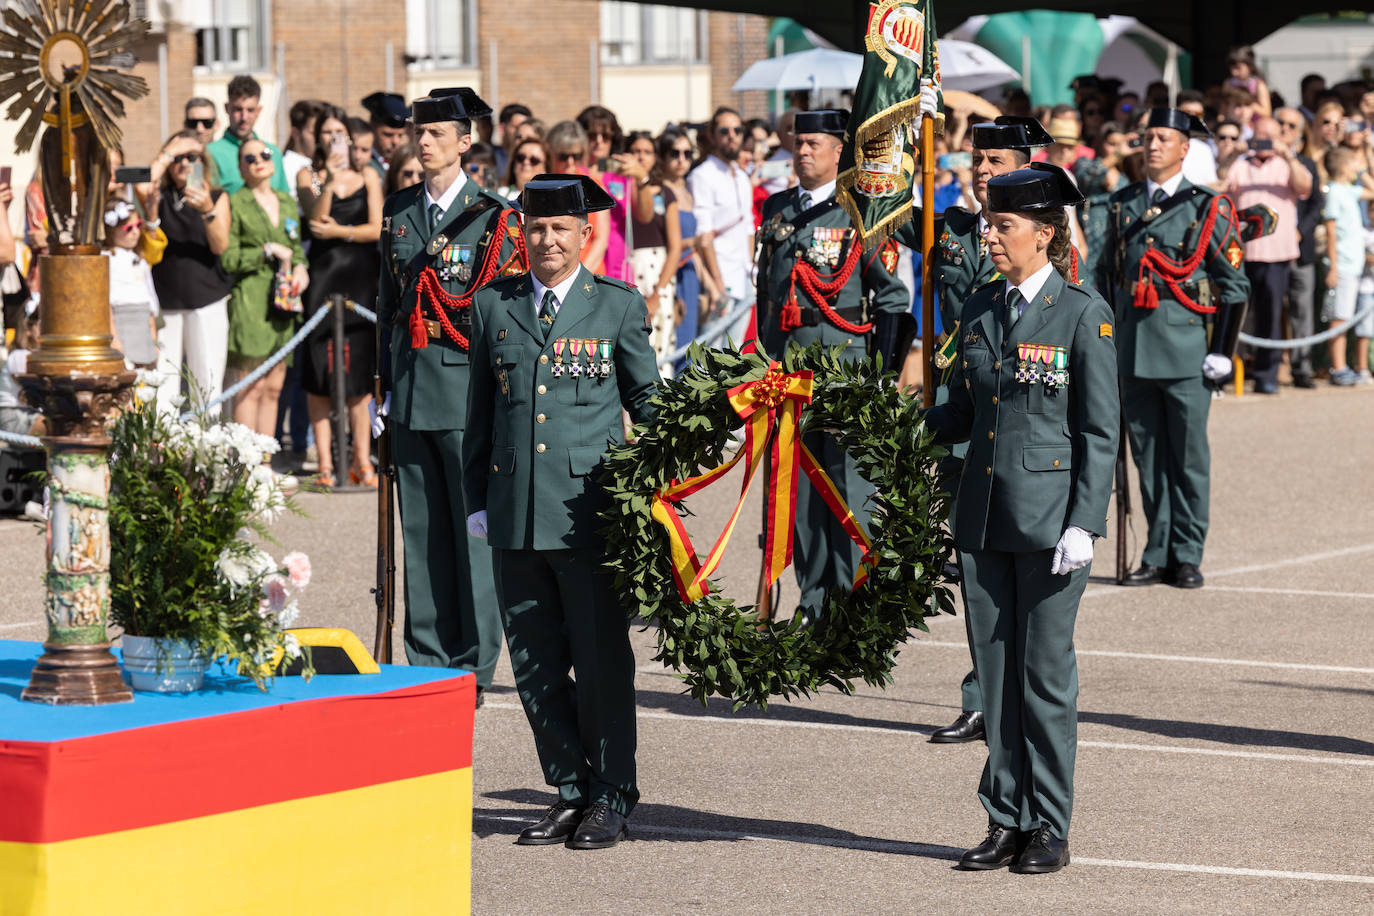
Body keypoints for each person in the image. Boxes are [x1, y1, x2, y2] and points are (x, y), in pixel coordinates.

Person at [921, 164, 1118, 875]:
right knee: (997, 679)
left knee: (1043, 680)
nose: (991, 236)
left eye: (1004, 226)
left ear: (1044, 234)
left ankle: (1050, 827)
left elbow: (1100, 430)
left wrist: (1083, 523)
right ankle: (1005, 817)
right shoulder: (977, 309)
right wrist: (898, 424)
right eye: (988, 224)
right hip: (983, 518)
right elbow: (964, 413)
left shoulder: (1081, 312)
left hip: (1050, 524)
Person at [461, 174, 659, 851]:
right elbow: (479, 418)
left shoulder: (617, 309)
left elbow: (649, 405)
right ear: (524, 233)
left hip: (589, 516)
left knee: (602, 661)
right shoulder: (494, 307)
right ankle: (569, 789)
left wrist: (661, 483)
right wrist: (476, 504)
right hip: (516, 513)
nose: (547, 240)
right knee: (536, 663)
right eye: (536, 228)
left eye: (560, 230)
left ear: (585, 235)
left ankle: (611, 793)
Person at [894, 113, 1053, 745]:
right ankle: (983, 694)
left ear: (1023, 167)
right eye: (976, 161)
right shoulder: (952, 228)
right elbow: (877, 202)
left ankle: (1021, 691)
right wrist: (898, 122)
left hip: (1019, 421)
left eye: (996, 163)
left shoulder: (1047, 234)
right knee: (975, 563)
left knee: (1024, 564)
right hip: (962, 415)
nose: (982, 172)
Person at [374, 87, 526, 702]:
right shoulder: (399, 211)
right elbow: (388, 306)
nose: (424, 140)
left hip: (466, 393)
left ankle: (473, 662)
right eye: (420, 130)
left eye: (438, 132)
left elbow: (499, 317)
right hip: (411, 392)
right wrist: (382, 391)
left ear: (466, 142)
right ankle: (427, 655)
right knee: (423, 531)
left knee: (471, 531)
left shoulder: (492, 216)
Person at [754, 109, 910, 619]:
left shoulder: (860, 211)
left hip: (845, 370)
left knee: (848, 487)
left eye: (814, 143)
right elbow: (767, 297)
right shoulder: (777, 211)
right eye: (798, 143)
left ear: (839, 151)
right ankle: (813, 597)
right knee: (797, 490)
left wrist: (882, 379)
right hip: (788, 375)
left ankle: (852, 598)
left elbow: (891, 299)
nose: (803, 152)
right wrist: (763, 365)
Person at [1098, 109, 1251, 589]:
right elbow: (1107, 277)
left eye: (1164, 138)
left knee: (1187, 459)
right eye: (1149, 137)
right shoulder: (1121, 204)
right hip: (1134, 348)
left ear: (1185, 148)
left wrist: (1222, 350)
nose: (1153, 145)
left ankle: (1187, 553)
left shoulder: (1207, 207)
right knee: (1148, 459)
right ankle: (1157, 551)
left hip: (1187, 350)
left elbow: (1235, 285)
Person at [298, 108, 383, 487]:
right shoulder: (309, 175)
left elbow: (376, 228)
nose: (335, 139)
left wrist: (343, 232)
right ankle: (326, 464)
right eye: (328, 132)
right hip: (323, 276)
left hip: (360, 278)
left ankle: (361, 459)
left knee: (359, 370)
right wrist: (329, 182)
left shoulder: (368, 175)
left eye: (340, 132)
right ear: (318, 138)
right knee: (319, 370)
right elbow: (315, 218)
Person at [222, 137, 308, 440]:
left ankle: (265, 465)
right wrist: (265, 250)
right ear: (241, 169)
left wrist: (301, 268)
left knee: (273, 387)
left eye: (265, 153)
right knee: (250, 387)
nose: (259, 159)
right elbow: (229, 258)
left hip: (283, 302)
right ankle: (245, 467)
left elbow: (296, 248)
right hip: (251, 300)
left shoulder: (286, 200)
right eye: (249, 158)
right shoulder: (235, 202)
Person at [145, 131, 232, 414]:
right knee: (163, 384)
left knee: (205, 382)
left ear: (203, 163)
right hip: (166, 302)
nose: (184, 163)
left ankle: (204, 452)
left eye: (192, 157)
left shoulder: (217, 196)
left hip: (206, 300)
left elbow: (220, 246)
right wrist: (169, 152)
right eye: (178, 158)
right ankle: (163, 451)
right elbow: (144, 186)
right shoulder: (159, 196)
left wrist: (207, 209)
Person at [1225, 116, 1313, 394]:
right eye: (1259, 135)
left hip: (1277, 253)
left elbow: (1304, 188)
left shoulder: (1286, 164)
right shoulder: (1240, 165)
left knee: (1271, 315)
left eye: (1269, 136)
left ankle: (1266, 375)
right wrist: (1232, 155)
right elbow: (1219, 186)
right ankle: (1226, 371)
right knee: (1234, 312)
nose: (1263, 141)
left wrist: (1287, 155)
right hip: (1242, 251)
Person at [688, 107, 755, 343]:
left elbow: (748, 226)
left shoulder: (742, 175)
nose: (732, 135)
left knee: (734, 351)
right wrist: (717, 284)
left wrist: (751, 267)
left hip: (744, 274)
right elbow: (702, 234)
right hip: (720, 276)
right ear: (713, 136)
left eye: (737, 130)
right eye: (724, 130)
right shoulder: (702, 176)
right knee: (710, 349)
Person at [620, 131, 681, 373]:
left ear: (655, 158)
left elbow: (675, 247)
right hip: (626, 267)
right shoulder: (617, 190)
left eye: (647, 152)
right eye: (636, 151)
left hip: (657, 272)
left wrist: (658, 293)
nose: (641, 157)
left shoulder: (665, 194)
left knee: (659, 345)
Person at [1278, 107, 1323, 388]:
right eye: (1280, 123)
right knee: (1265, 310)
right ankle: (1264, 368)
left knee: (1302, 310)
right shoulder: (1257, 163)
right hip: (1266, 251)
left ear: (1300, 132)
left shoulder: (1307, 163)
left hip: (1300, 249)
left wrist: (1299, 232)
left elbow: (1317, 204)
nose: (1285, 129)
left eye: (1291, 125)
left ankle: (1301, 367)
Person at [1322, 146, 1374, 385]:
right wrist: (1333, 267)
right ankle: (1338, 367)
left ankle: (1344, 366)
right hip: (1341, 264)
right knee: (1339, 316)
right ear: (1343, 167)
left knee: (1346, 315)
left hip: (1353, 265)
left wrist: (1363, 170)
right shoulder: (1334, 192)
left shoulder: (1348, 190)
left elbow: (1372, 190)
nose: (1358, 167)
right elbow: (1331, 233)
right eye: (1354, 163)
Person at [657, 130, 703, 367]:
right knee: (676, 344)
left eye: (687, 153)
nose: (682, 159)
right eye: (675, 153)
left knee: (692, 347)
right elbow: (665, 242)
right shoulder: (661, 192)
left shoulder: (688, 189)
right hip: (672, 271)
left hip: (690, 273)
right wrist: (693, 243)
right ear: (663, 157)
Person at [207, 75, 289, 196]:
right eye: (238, 109)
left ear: (258, 111)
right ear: (227, 108)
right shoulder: (210, 154)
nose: (244, 117)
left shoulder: (273, 153)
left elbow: (285, 202)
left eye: (250, 110)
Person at [103, 198, 160, 368]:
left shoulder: (140, 261)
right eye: (129, 228)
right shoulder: (106, 259)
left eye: (139, 225)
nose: (136, 232)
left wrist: (154, 339)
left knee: (145, 377)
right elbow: (105, 302)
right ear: (111, 231)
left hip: (142, 325)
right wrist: (114, 337)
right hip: (121, 324)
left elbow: (149, 301)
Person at [546, 120, 608, 274]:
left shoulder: (595, 186)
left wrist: (578, 277)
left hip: (588, 272)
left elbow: (601, 240)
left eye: (576, 155)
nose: (570, 162)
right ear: (551, 153)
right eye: (563, 156)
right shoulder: (542, 185)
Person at [361, 92, 411, 178]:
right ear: (373, 127)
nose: (395, 142)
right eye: (388, 135)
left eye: (400, 135)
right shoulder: (362, 162)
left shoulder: (406, 163)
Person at [282, 99, 325, 196]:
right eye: (314, 133)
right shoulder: (287, 168)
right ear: (295, 133)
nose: (320, 138)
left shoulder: (320, 165)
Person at [1177, 90, 1219, 186]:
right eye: (1187, 113)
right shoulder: (1165, 144)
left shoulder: (1205, 149)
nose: (1193, 118)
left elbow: (1212, 184)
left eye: (1198, 114)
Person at [1226, 46, 1272, 118]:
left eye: (1238, 68)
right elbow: (1224, 108)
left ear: (1250, 66)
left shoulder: (1258, 85)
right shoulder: (1229, 83)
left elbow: (1267, 113)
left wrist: (1247, 103)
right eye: (1231, 68)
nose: (1233, 72)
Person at [495, 103, 533, 177]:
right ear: (502, 128)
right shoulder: (491, 158)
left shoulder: (535, 159)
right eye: (517, 127)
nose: (522, 131)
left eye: (526, 127)